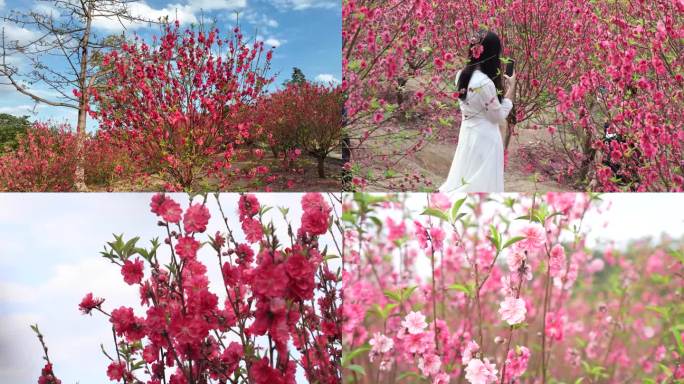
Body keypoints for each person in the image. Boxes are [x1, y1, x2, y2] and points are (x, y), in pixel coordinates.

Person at [439, 30, 516, 193]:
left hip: (467, 134)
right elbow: (498, 117)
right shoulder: (485, 83)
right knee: (482, 188)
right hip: (486, 140)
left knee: (464, 178)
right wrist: (511, 89)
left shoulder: (461, 75)